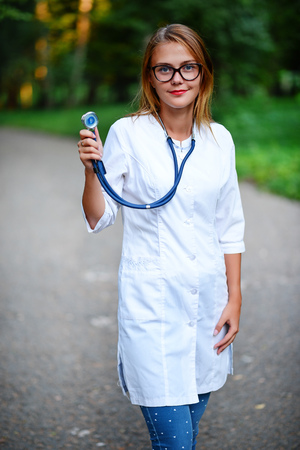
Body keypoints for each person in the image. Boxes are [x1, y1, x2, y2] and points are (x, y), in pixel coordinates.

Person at [78, 23, 245, 450]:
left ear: (203, 74)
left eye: (188, 68)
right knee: (175, 444)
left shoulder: (219, 140)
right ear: (150, 77)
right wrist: (90, 171)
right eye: (164, 69)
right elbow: (100, 217)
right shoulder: (128, 134)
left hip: (207, 309)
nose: (177, 79)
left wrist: (234, 297)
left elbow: (229, 224)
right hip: (152, 311)